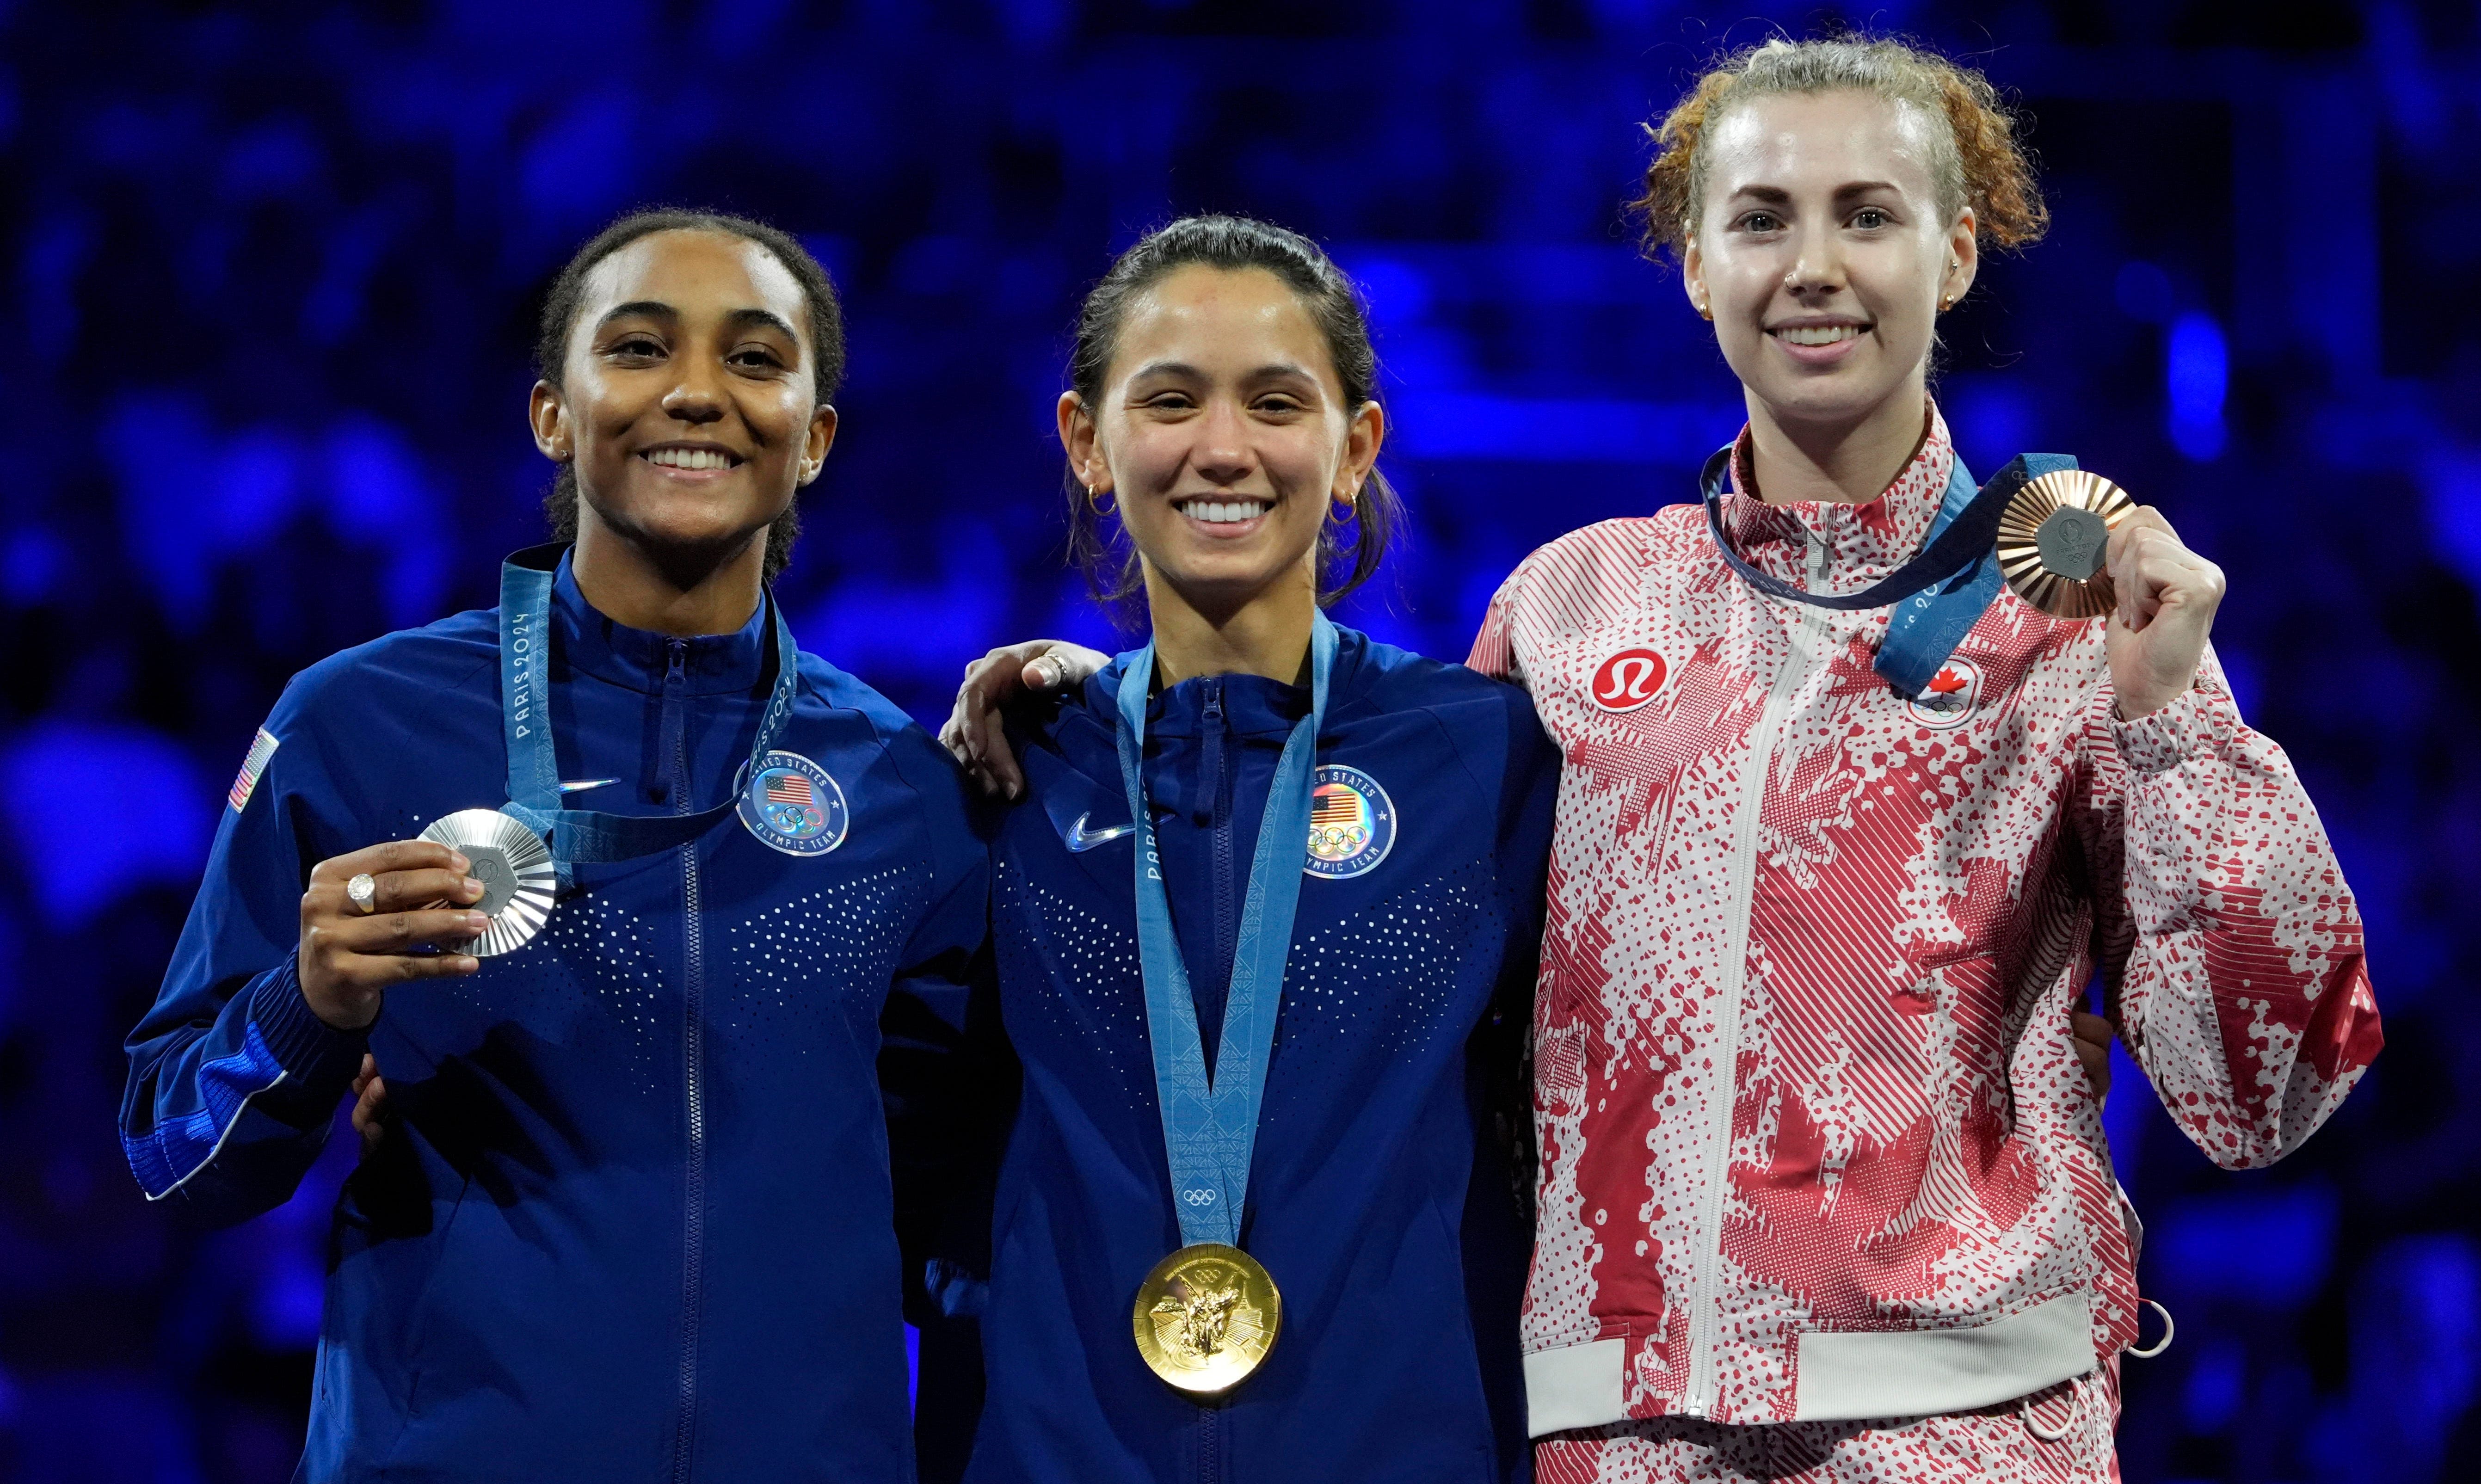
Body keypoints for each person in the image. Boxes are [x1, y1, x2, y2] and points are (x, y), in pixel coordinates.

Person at [946, 36, 2380, 1484]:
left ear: (1955, 254)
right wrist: (1125, 703)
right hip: (1610, 1438)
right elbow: (1383, 936)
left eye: (1866, 215)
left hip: (1967, 1429)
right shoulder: (1570, 608)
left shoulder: (2079, 611)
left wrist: (2178, 715)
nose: (1811, 265)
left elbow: (2258, 1095)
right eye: (1761, 219)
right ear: (1695, 263)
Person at [120, 209, 988, 1483]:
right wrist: (308, 1010)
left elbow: (955, 1214)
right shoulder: (361, 723)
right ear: (553, 414)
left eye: (756, 360)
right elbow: (167, 1152)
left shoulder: (901, 786)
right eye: (639, 348)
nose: (698, 391)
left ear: (816, 440)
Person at [941, 215, 1558, 1483]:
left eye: (1277, 402)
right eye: (1169, 400)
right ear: (1087, 445)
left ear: (1355, 448)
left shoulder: (1489, 762)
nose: (1224, 448)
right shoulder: (1004, 774)